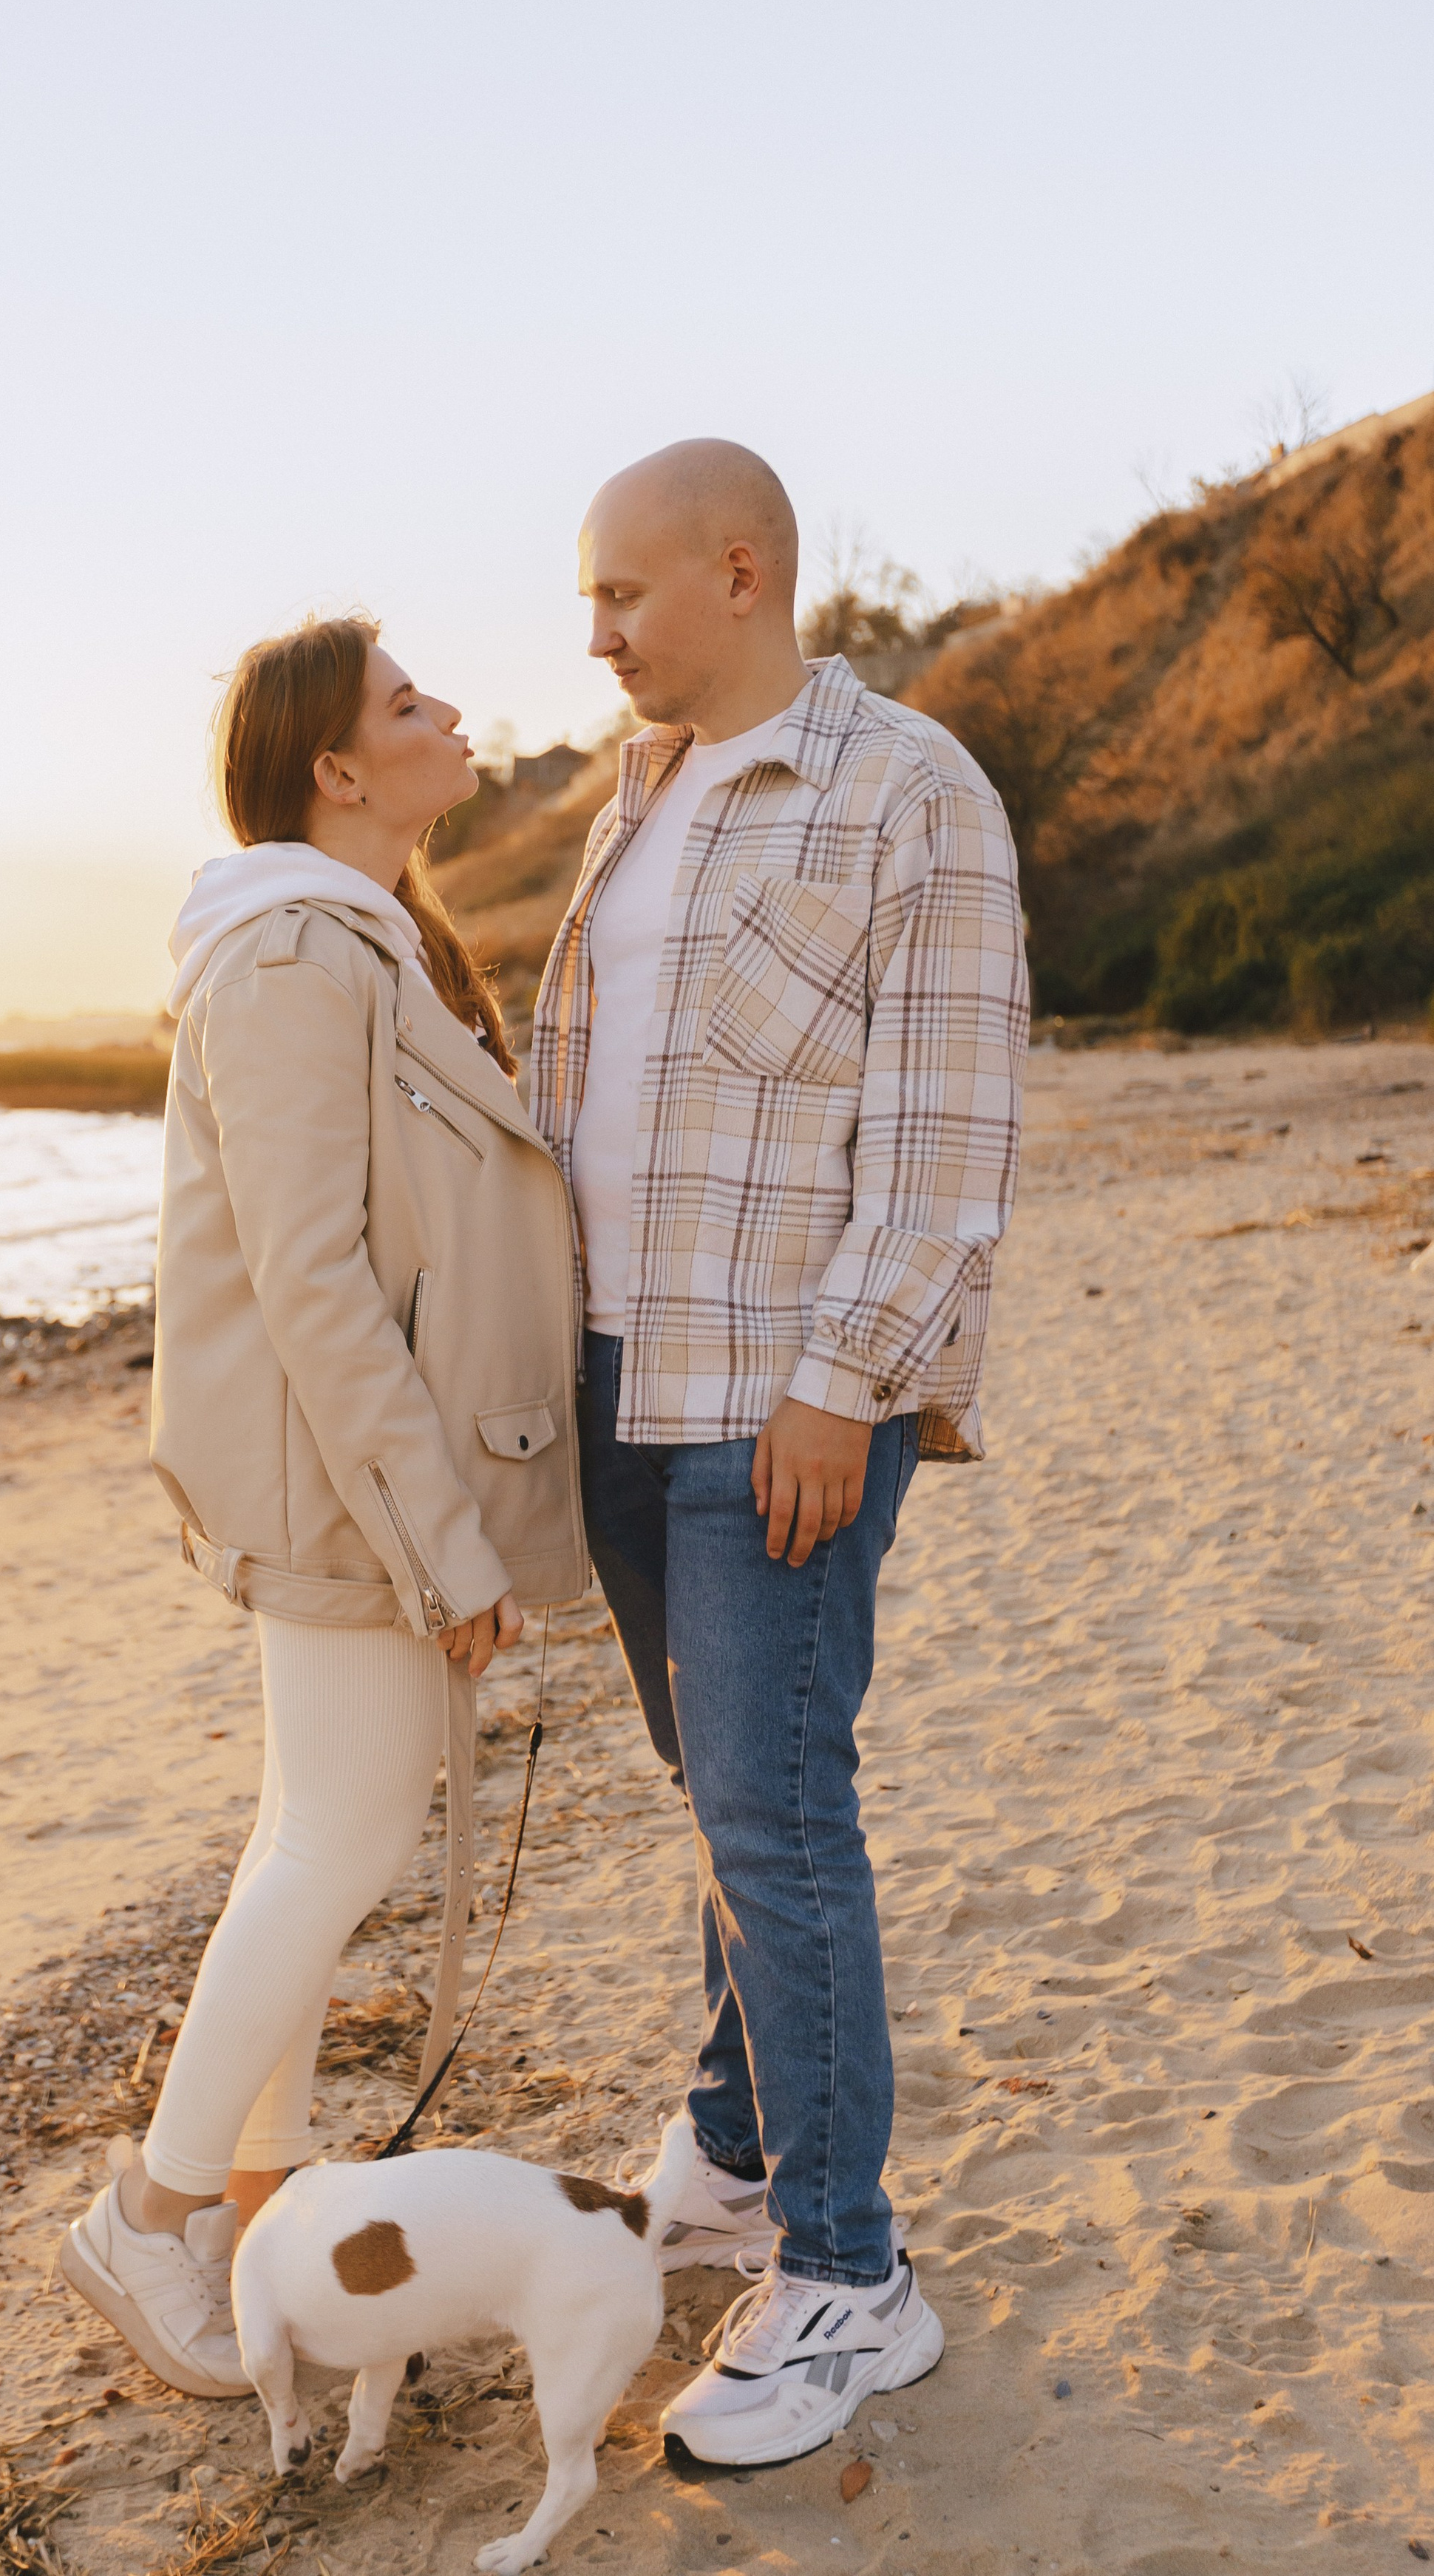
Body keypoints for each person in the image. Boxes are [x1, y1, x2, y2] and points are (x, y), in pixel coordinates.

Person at [530, 440, 1027, 2465]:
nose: (594, 635)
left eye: (620, 596)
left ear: (738, 571)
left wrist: (846, 1376)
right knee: (718, 1797)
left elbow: (946, 1126)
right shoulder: (632, 804)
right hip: (621, 1387)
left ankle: (846, 2275)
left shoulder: (909, 787)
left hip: (779, 1400)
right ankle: (734, 2154)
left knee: (779, 1816)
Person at [61, 613, 588, 2396]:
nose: (450, 713)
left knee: (310, 1837)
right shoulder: (292, 955)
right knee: (339, 1846)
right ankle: (149, 2217)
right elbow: (309, 1282)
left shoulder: (366, 939)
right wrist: (441, 1539)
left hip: (353, 1482)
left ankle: (243, 2205)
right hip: (342, 1495)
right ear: (335, 770)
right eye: (407, 701)